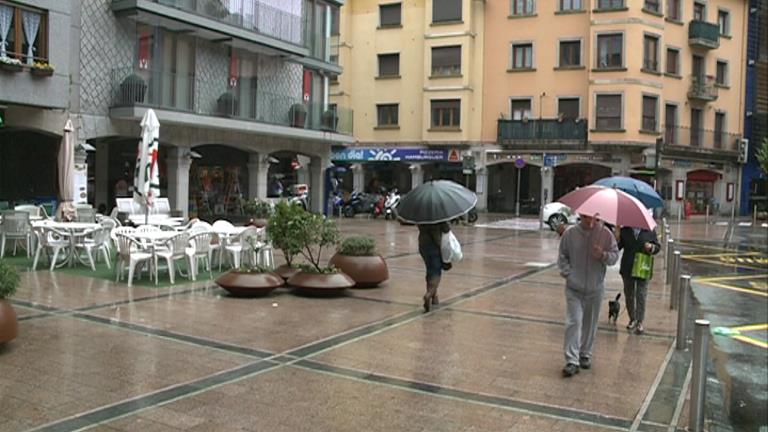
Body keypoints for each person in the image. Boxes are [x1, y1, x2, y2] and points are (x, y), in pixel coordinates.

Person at [557, 213, 619, 377]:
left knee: (590, 323)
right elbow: (562, 256)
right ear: (580, 216)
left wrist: (603, 255)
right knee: (574, 321)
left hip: (595, 287)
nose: (590, 222)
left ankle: (585, 353)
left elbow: (614, 256)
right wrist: (568, 273)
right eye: (586, 218)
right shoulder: (570, 234)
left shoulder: (605, 234)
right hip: (574, 288)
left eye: (594, 219)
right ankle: (572, 360)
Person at [616, 225, 661, 335]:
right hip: (628, 267)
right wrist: (616, 237)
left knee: (641, 294)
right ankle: (632, 318)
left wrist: (651, 247)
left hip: (643, 267)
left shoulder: (649, 230)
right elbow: (617, 247)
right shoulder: (625, 230)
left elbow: (657, 247)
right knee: (629, 294)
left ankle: (640, 321)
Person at [418, 222, 451, 312]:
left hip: (423, 245)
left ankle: (434, 297)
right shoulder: (439, 215)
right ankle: (428, 294)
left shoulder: (422, 214)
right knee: (436, 272)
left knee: (429, 269)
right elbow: (446, 229)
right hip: (435, 245)